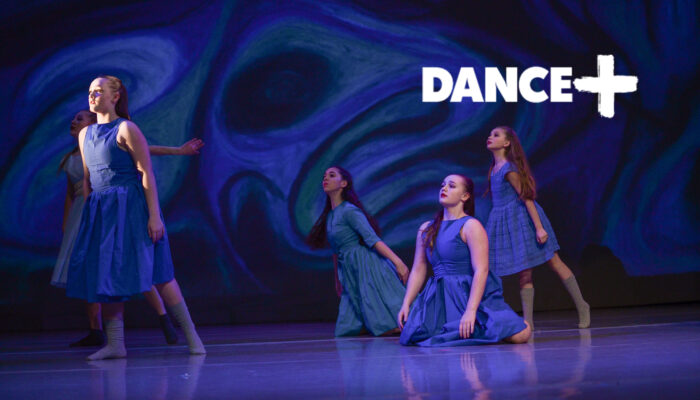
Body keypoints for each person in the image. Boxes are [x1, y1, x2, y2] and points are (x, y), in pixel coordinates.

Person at [66, 75, 205, 360]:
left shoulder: (126, 129)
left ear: (115, 96)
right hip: (102, 210)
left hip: (131, 206)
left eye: (98, 91)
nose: (92, 95)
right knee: (106, 274)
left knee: (158, 272)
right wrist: (90, 212)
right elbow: (88, 177)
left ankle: (192, 336)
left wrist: (154, 216)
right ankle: (116, 344)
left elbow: (145, 173)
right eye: (90, 91)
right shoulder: (85, 134)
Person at [398, 174, 531, 346]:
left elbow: (481, 270)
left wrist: (471, 310)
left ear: (465, 196)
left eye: (452, 186)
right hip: (440, 298)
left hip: (468, 294)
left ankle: (508, 323)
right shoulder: (426, 229)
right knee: (414, 333)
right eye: (443, 184)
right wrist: (407, 302)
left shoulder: (470, 226)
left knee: (520, 335)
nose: (444, 188)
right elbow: (418, 269)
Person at [485, 126, 590, 329]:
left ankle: (582, 305)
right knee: (524, 273)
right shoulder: (494, 169)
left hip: (524, 220)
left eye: (496, 135)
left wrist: (539, 228)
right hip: (508, 223)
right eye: (490, 134)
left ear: (506, 143)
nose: (490, 137)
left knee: (554, 261)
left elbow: (526, 198)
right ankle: (529, 322)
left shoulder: (508, 169)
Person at [307, 166, 409, 336]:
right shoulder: (331, 216)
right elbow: (336, 251)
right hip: (349, 269)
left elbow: (372, 239)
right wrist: (337, 279)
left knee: (387, 324)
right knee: (346, 330)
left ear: (343, 183)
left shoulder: (349, 210)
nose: (326, 178)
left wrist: (398, 263)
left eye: (331, 175)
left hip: (366, 266)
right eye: (324, 176)